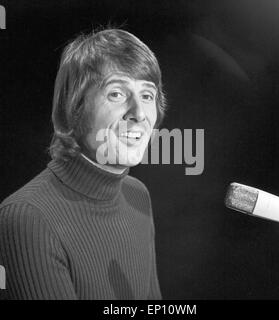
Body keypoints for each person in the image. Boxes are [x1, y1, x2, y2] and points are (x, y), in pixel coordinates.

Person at [0, 28, 166, 300]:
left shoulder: (137, 195)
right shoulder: (25, 218)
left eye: (147, 96)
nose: (139, 113)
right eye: (116, 93)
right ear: (73, 108)